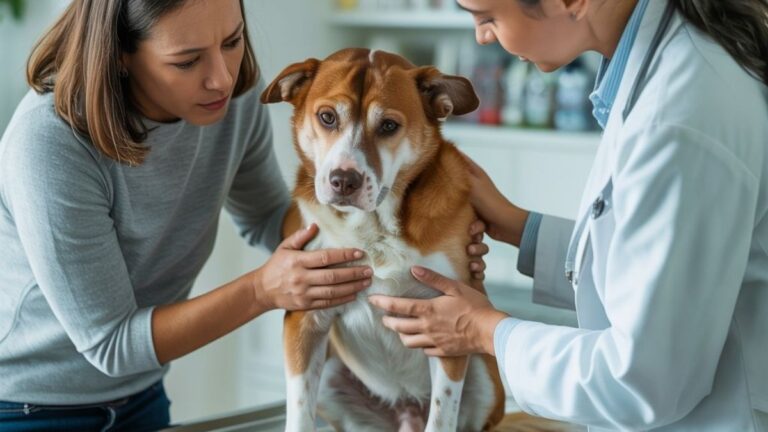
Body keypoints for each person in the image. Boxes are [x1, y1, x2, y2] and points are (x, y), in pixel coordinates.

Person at [0, 1, 487, 430]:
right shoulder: (49, 144)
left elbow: (269, 219)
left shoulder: (227, 103)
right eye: (187, 60)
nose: (222, 78)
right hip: (31, 406)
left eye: (232, 42)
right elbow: (112, 345)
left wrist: (411, 251)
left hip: (141, 397)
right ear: (121, 55)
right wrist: (262, 290)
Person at [369, 0, 768, 430]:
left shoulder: (676, 118)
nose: (481, 37)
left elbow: (641, 381)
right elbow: (664, 269)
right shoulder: (667, 67)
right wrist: (520, 227)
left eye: (488, 17)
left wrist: (484, 331)